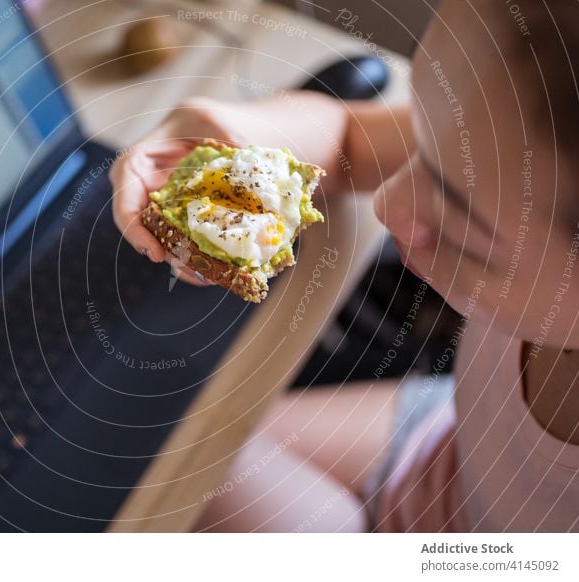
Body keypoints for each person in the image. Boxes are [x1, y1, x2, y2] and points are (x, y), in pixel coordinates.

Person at [109, 0, 579, 532]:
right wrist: (246, 137)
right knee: (175, 451)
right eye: (420, 143)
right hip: (445, 445)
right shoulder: (510, 146)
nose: (388, 204)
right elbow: (350, 141)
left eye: (460, 227)